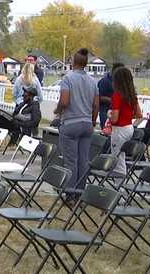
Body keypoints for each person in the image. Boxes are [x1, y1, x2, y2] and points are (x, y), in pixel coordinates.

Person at [54, 48, 99, 204]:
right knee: (83, 160)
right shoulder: (93, 81)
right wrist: (92, 121)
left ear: (73, 62)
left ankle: (70, 194)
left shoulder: (68, 78)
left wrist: (57, 110)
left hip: (71, 123)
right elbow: (96, 105)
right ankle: (80, 193)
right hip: (87, 123)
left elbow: (65, 101)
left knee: (71, 161)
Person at [109, 67, 142, 175]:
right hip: (129, 127)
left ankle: (119, 186)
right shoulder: (132, 96)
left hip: (119, 130)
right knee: (121, 156)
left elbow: (115, 119)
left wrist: (109, 114)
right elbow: (138, 114)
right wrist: (127, 116)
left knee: (118, 160)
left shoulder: (117, 96)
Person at [97, 63, 124, 129]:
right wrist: (112, 100)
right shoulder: (104, 82)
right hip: (105, 112)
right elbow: (98, 97)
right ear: (114, 71)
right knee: (106, 132)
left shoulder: (121, 82)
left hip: (118, 112)